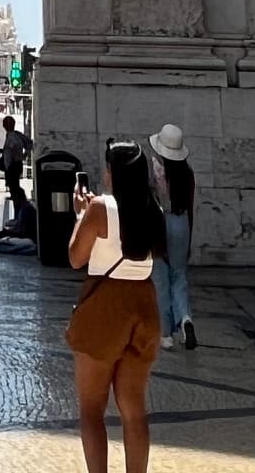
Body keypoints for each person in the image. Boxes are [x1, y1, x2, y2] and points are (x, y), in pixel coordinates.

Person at [67, 138, 165, 473]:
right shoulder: (154, 210)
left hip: (105, 309)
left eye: (107, 167)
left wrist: (80, 216)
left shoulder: (99, 209)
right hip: (144, 305)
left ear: (114, 174)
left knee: (92, 410)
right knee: (134, 409)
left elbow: (75, 258)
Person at [148, 124, 197, 350]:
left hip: (159, 223)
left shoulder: (155, 169)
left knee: (161, 277)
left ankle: (165, 333)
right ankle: (185, 317)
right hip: (181, 222)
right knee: (179, 276)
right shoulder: (187, 174)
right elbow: (190, 206)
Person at [0, 115, 30, 206]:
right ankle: (19, 203)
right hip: (16, 164)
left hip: (13, 165)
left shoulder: (12, 137)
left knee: (15, 188)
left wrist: (18, 156)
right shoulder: (17, 134)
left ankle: (20, 207)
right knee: (15, 186)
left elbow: (13, 147)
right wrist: (25, 154)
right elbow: (29, 143)